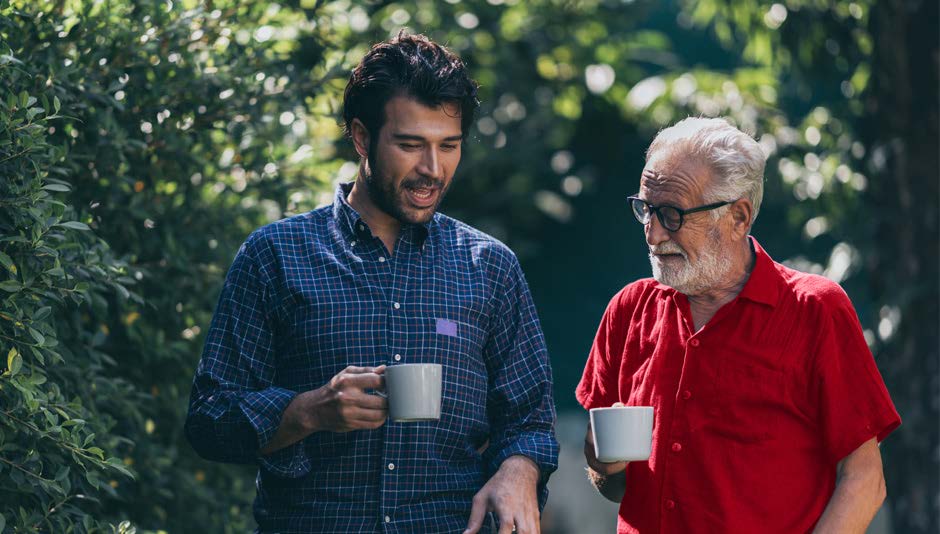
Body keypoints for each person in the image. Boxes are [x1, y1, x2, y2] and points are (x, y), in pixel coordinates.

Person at [185, 32, 558, 534]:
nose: (432, 169)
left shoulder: (490, 267)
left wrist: (519, 470)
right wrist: (307, 411)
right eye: (410, 145)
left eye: (448, 146)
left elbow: (530, 420)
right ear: (361, 137)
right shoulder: (275, 255)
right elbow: (209, 421)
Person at [577, 117, 900, 533]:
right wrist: (601, 462)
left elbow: (865, 480)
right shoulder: (629, 309)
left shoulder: (814, 309)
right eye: (646, 209)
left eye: (672, 214)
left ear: (739, 217)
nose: (653, 234)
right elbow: (614, 486)